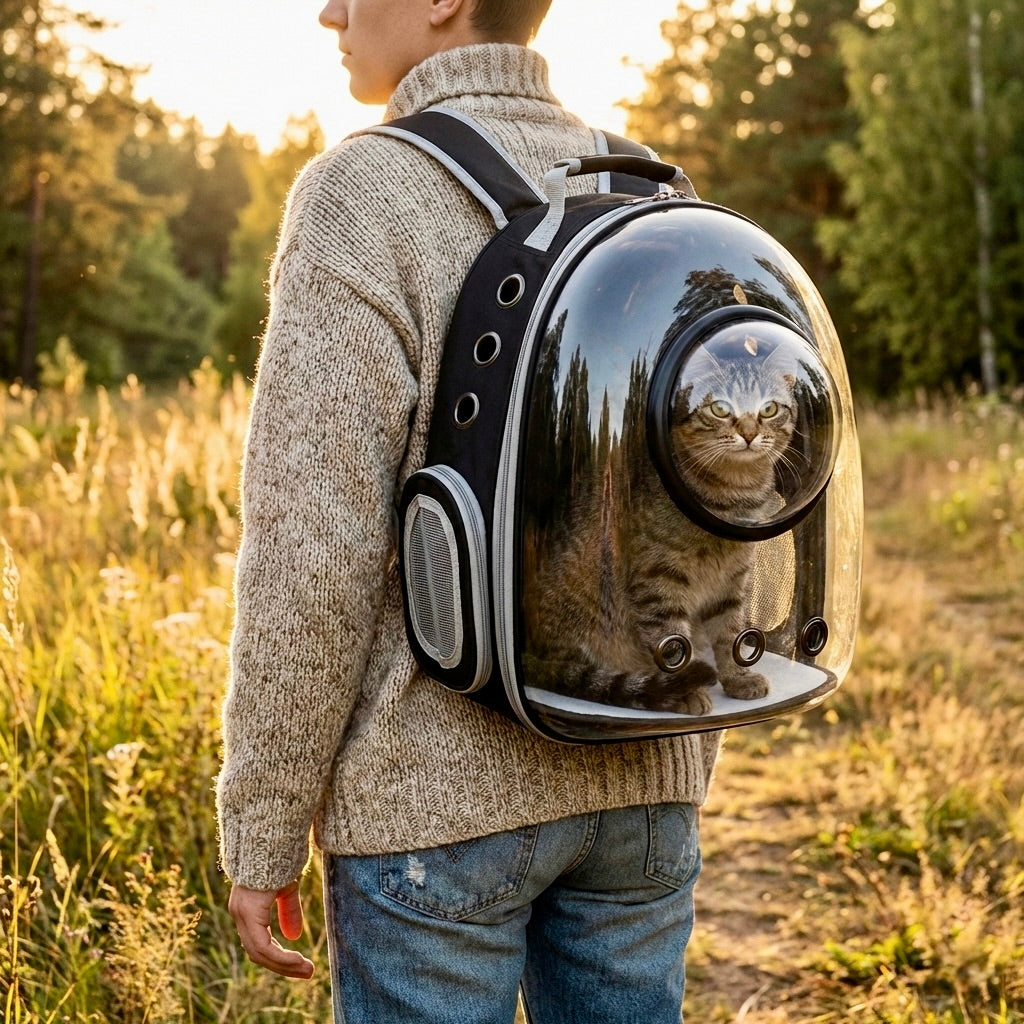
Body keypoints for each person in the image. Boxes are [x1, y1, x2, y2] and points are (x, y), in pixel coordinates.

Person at [216, 1, 722, 1021]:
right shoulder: (653, 188)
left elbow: (312, 551)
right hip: (642, 781)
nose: (328, 12)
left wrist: (261, 827)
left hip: (431, 810)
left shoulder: (362, 193)